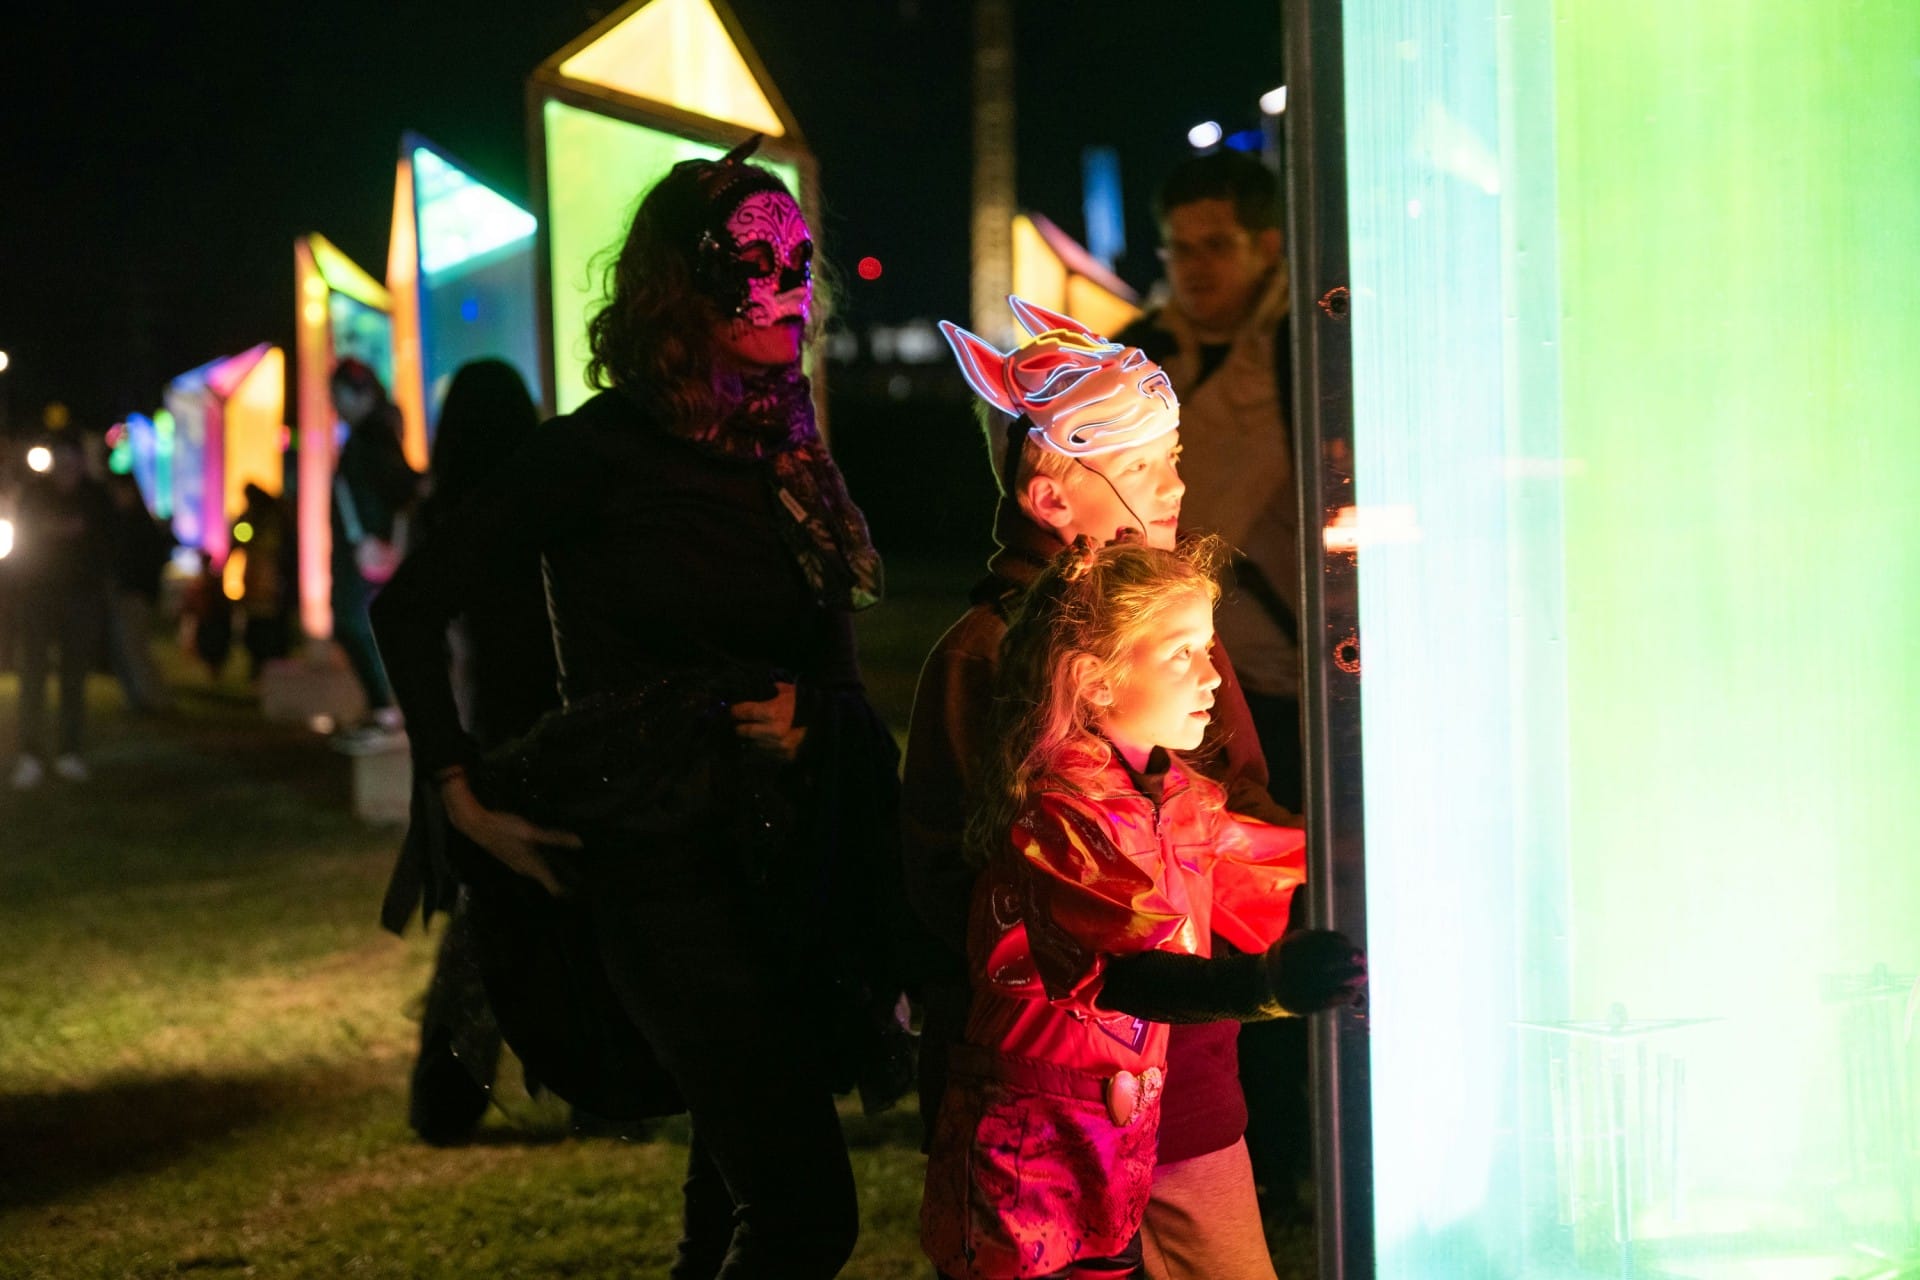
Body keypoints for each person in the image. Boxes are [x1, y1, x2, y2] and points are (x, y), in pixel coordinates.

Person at [370, 136, 903, 1279]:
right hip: (659, 875)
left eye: (799, 260)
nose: (788, 286)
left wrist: (809, 717)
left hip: (779, 868)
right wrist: (456, 789)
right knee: (807, 1214)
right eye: (752, 262)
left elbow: (838, 677)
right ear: (679, 286)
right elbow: (409, 606)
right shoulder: (595, 455)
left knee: (727, 1211)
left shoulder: (790, 456)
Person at [906, 299, 1297, 1280]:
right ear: (1049, 497)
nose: (1174, 484)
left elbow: (1240, 806)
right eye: (1141, 465)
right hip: (1045, 1091)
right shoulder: (989, 653)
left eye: (1173, 457)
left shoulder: (1176, 623)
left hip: (1188, 1063)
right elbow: (954, 873)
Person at [919, 533, 1366, 1280]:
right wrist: (1267, 987)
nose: (1213, 677)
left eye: (1209, 648)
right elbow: (1128, 974)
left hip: (1115, 1140)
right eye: (1182, 653)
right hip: (1028, 1152)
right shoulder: (1063, 817)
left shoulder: (1178, 798)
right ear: (1094, 681)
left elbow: (1279, 859)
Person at [1116, 149, 1313, 1222]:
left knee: (1293, 915)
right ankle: (1258, 1151)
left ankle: (1294, 1145)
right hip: (1188, 695)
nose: (1193, 267)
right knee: (1217, 929)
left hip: (1299, 683)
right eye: (1178, 247)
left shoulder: (1307, 346)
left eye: (1216, 245)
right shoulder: (1146, 356)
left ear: (1268, 245)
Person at [377, 358, 562, 1145]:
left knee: (485, 919)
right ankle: (594, 1082)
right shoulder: (546, 507)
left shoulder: (446, 515)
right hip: (557, 717)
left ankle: (446, 1092)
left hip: (486, 724)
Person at [10, 434, 113, 789]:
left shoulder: (95, 498)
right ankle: (30, 755)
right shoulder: (35, 495)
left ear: (82, 463)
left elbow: (106, 543)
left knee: (73, 679)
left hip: (80, 598)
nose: (66, 470)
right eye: (61, 462)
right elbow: (23, 540)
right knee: (33, 676)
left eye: (72, 462)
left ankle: (70, 752)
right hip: (37, 597)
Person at [329, 358, 419, 751]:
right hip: (364, 552)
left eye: (339, 395)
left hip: (367, 556)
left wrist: (382, 541)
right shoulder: (374, 434)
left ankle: (387, 711)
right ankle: (385, 709)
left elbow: (401, 491)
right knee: (357, 627)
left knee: (358, 627)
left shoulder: (372, 437)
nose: (336, 405)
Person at [103, 472, 175, 713]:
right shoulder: (122, 522)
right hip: (125, 592)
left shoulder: (138, 525)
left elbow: (148, 560)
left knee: (135, 647)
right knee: (125, 648)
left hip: (135, 594)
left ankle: (155, 699)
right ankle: (138, 698)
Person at [234, 482, 293, 680]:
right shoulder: (258, 518)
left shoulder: (271, 519)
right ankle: (259, 666)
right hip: (258, 578)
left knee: (266, 627)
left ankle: (266, 666)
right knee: (258, 625)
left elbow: (241, 539)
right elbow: (239, 537)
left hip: (268, 579)